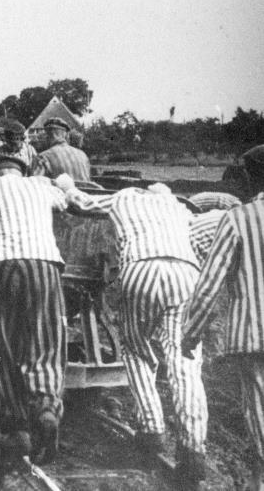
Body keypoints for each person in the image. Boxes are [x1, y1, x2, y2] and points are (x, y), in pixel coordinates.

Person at [62, 179, 209, 481]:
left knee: (137, 349)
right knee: (185, 362)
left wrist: (65, 184)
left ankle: (151, 429)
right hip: (186, 273)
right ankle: (193, 449)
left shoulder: (124, 198)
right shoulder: (179, 207)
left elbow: (84, 203)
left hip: (142, 268)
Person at [0, 155, 70, 463]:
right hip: (43, 262)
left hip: (0, 264)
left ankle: (16, 423)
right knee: (46, 339)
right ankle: (44, 407)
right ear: (21, 171)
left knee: (3, 344)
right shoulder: (39, 186)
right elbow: (65, 200)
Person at [183, 145, 264, 490]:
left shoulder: (240, 218)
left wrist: (190, 333)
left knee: (259, 407)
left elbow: (209, 284)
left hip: (253, 331)